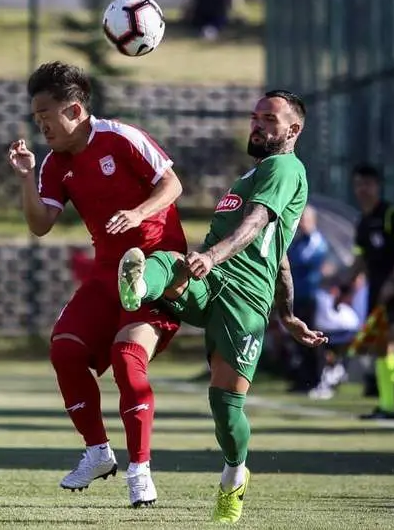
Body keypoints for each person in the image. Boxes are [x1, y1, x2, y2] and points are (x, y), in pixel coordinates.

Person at [115, 90, 327, 523]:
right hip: (210, 280)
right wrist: (287, 313)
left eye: (269, 118)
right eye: (255, 117)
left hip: (244, 300)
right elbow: (280, 252)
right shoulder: (253, 176)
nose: (258, 125)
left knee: (226, 408)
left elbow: (257, 224)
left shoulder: (285, 167)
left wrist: (214, 258)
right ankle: (139, 287)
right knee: (169, 263)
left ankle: (235, 473)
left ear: (293, 130)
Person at [6, 61, 187, 507]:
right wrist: (27, 177)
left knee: (127, 360)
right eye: (36, 117)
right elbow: (40, 225)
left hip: (155, 272)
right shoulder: (54, 163)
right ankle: (98, 453)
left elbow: (173, 184)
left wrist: (139, 213)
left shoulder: (122, 138)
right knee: (64, 349)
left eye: (45, 114)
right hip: (107, 272)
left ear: (74, 109)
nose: (40, 124)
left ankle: (140, 470)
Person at [345, 164, 394, 420]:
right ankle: (387, 405)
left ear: (377, 186)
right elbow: (360, 260)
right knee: (380, 345)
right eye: (358, 184)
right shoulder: (363, 223)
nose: (362, 189)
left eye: (367, 184)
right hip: (376, 289)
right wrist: (344, 286)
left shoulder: (392, 215)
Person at [286, 204, 329, 392]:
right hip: (295, 298)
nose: (300, 223)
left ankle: (319, 380)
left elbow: (299, 260)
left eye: (303, 219)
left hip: (311, 297)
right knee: (298, 341)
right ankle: (303, 380)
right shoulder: (298, 242)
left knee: (313, 340)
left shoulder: (316, 241)